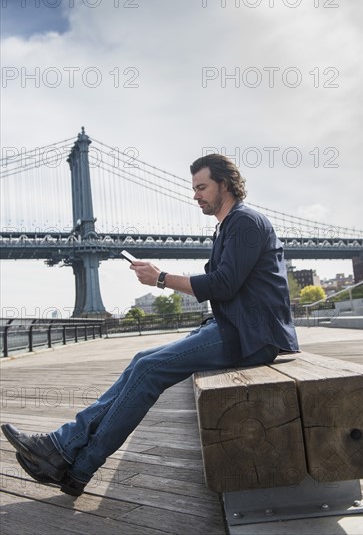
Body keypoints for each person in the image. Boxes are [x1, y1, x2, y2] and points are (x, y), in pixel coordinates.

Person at [1, 154, 299, 497]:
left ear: (225, 185)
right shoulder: (228, 227)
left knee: (149, 369)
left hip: (252, 336)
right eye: (194, 188)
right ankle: (67, 454)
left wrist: (159, 278)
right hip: (233, 327)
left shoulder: (245, 222)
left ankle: (72, 461)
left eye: (202, 187)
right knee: (142, 360)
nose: (195, 195)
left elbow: (224, 285)